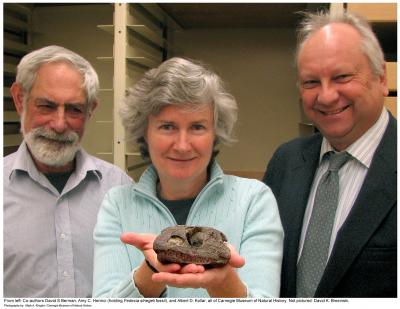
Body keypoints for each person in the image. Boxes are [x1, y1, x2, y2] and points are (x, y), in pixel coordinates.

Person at [93, 57, 284, 298]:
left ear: (216, 132)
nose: (182, 145)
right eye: (167, 127)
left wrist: (224, 285)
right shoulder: (117, 204)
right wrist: (149, 274)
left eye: (197, 127)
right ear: (144, 131)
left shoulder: (253, 201)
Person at [263, 10, 396, 298]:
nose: (325, 96)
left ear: (382, 78)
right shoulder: (285, 162)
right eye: (311, 82)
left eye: (342, 76)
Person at [3, 45, 132, 298]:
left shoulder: (119, 187)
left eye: (74, 109)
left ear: (90, 110)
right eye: (46, 106)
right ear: (20, 99)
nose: (60, 124)